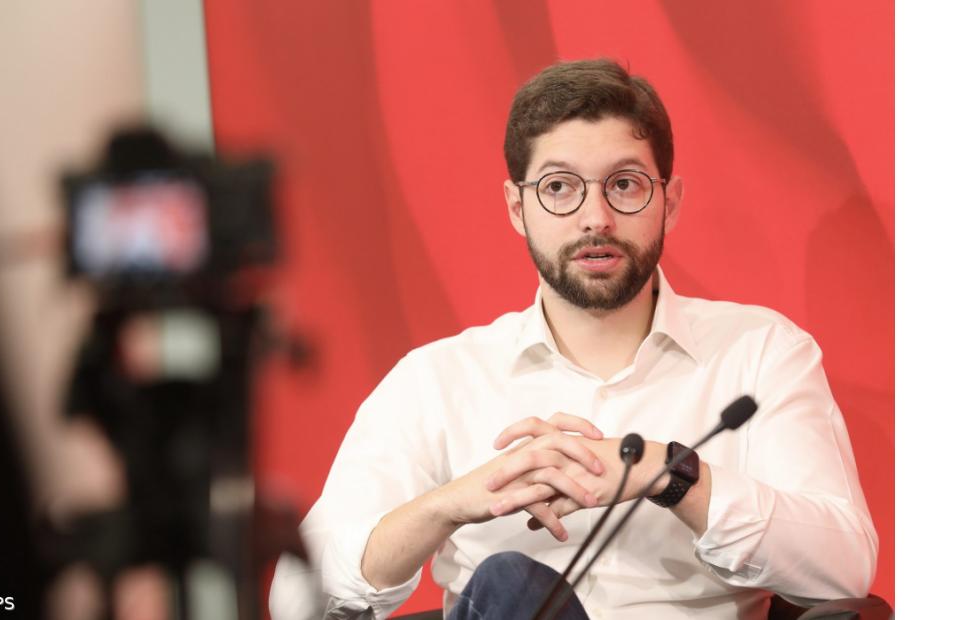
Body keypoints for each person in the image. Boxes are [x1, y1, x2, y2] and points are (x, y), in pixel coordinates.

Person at [269, 59, 878, 620]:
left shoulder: (761, 352)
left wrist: (668, 473)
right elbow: (295, 599)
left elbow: (844, 568)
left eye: (625, 184)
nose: (596, 219)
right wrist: (449, 504)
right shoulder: (438, 380)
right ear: (517, 208)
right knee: (511, 584)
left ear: (669, 202)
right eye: (559, 187)